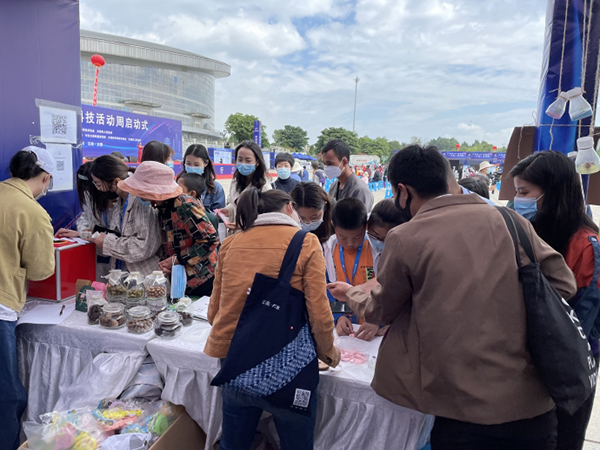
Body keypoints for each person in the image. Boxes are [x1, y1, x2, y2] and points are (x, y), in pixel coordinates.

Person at [327, 145, 577, 449]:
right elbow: (564, 284)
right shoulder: (510, 221)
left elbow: (381, 310)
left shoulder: (407, 237)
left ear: (402, 192)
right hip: (532, 407)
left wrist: (350, 292)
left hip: (462, 410)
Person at [206, 188, 339, 450]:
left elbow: (214, 313)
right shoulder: (306, 242)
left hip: (236, 361)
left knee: (233, 444)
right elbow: (319, 313)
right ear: (290, 207)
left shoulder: (231, 243)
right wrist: (329, 353)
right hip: (289, 367)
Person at [510, 150, 600, 450]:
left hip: (566, 369)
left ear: (554, 193)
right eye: (516, 192)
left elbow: (580, 322)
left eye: (524, 193)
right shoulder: (530, 233)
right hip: (526, 366)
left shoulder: (586, 246)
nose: (517, 201)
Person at [0, 147, 55, 450]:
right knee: (8, 395)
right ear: (45, 178)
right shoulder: (32, 211)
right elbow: (42, 270)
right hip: (1, 307)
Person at [120, 162, 219, 297]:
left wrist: (177, 259)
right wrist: (169, 263)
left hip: (202, 279)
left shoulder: (184, 204)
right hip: (180, 278)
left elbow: (210, 240)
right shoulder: (163, 207)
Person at [89, 155, 162, 276]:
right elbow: (119, 235)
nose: (99, 189)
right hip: (123, 273)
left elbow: (144, 247)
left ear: (116, 181)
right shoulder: (120, 201)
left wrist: (107, 243)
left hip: (144, 276)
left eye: (98, 184)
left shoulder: (142, 200)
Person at [323, 198, 381, 341]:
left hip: (372, 325)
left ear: (366, 226)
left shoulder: (377, 249)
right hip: (345, 327)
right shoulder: (327, 250)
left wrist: (377, 319)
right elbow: (326, 288)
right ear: (333, 225)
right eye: (342, 237)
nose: (350, 243)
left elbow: (387, 289)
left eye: (357, 236)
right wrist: (338, 317)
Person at [55, 162, 115, 279]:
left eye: (91, 188)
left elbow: (114, 233)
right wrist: (83, 230)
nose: (88, 192)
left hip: (113, 254)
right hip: (94, 251)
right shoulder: (88, 195)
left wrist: (85, 234)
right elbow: (85, 216)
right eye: (85, 190)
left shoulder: (113, 201)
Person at [217, 141, 271, 231]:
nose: (243, 163)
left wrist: (244, 226)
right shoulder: (235, 182)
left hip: (252, 234)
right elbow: (234, 203)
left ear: (257, 162)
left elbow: (267, 217)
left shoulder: (265, 188)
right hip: (234, 234)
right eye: (240, 159)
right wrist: (228, 210)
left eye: (248, 160)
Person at [322, 139, 374, 211]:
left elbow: (361, 217)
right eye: (324, 164)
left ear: (344, 162)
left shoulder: (359, 190)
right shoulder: (333, 187)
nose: (326, 167)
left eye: (329, 163)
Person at [181, 144, 226, 212]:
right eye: (188, 164)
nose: (192, 167)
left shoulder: (216, 189)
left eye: (196, 165)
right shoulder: (177, 186)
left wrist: (202, 211)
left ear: (206, 163)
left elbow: (220, 216)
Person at [367, 199, 405, 274]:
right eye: (375, 235)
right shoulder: (358, 236)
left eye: (385, 239)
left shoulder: (403, 249)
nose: (379, 242)